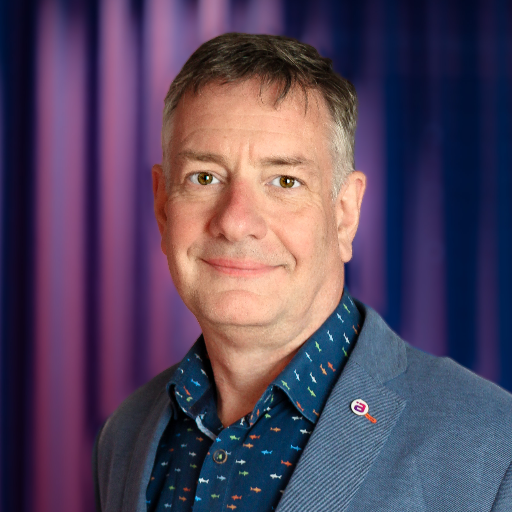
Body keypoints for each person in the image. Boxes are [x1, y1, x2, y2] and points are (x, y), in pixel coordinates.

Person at [92, 33, 512, 512]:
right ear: (163, 206)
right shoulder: (125, 436)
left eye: (285, 181)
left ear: (345, 214)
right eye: (204, 177)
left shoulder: (492, 451)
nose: (236, 222)